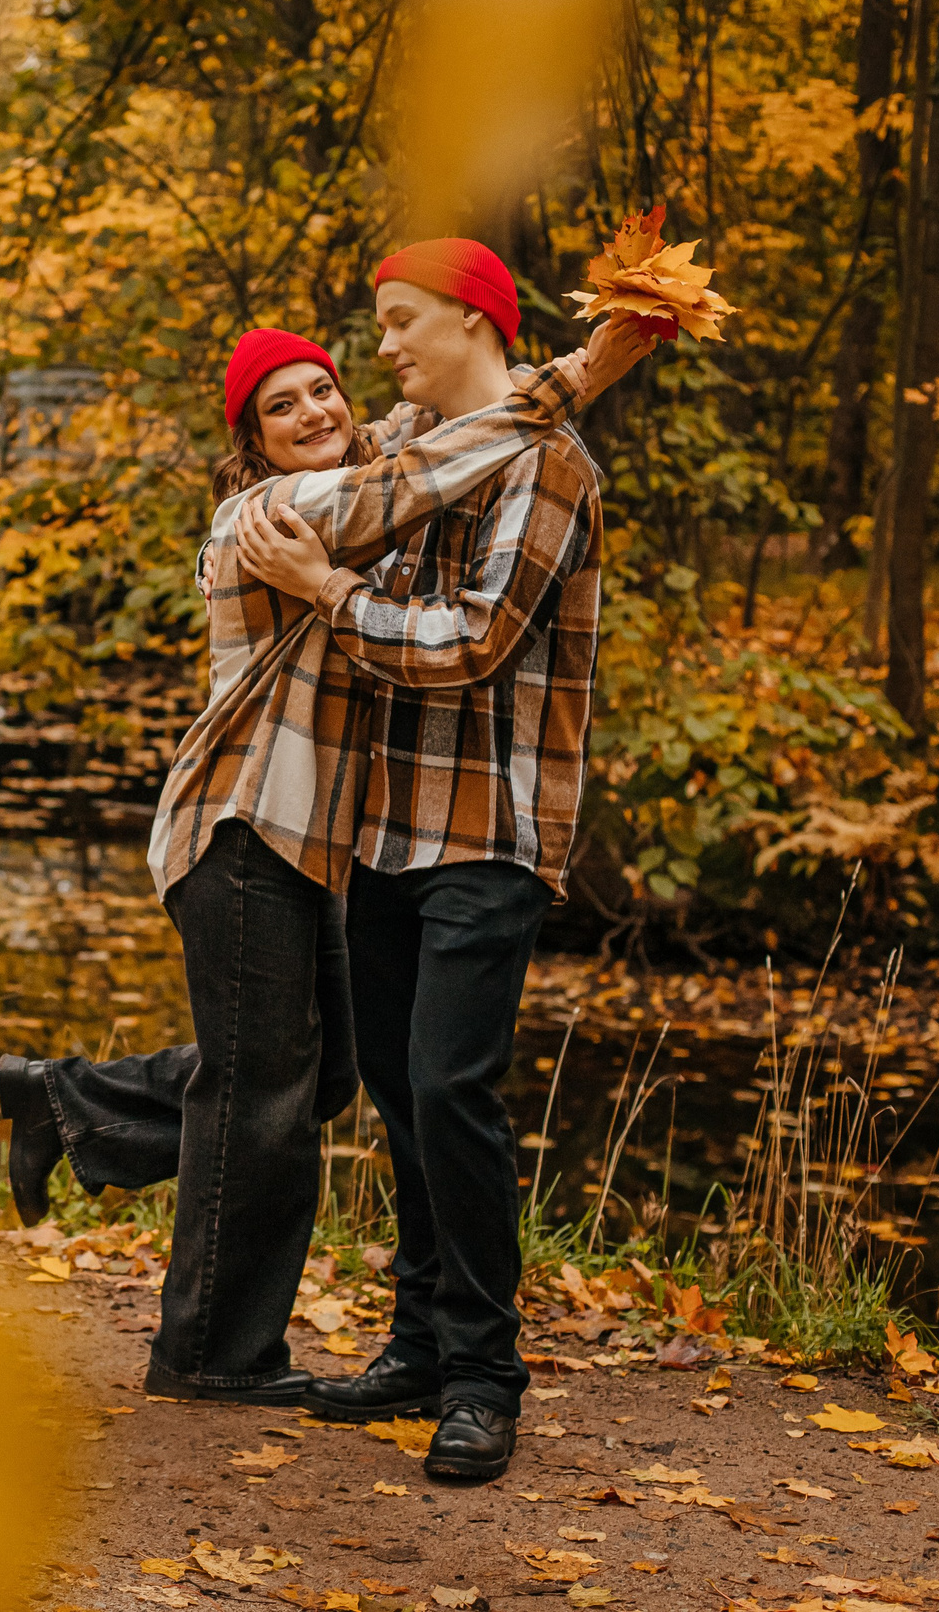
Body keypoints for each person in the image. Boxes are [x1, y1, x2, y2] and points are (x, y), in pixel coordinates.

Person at [0, 301, 650, 1421]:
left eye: (322, 391)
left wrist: (511, 373)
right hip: (246, 824)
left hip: (323, 843)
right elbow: (409, 483)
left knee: (321, 1076)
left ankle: (70, 1100)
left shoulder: (365, 479)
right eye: (278, 406)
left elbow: (424, 437)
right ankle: (212, 1352)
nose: (312, 412)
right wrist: (577, 376)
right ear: (249, 444)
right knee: (262, 1092)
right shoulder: (272, 514)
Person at [233, 238, 620, 1482]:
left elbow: (468, 646)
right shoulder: (410, 451)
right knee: (401, 1093)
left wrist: (329, 594)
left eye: (402, 321)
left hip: (490, 834)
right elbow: (352, 485)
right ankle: (415, 1345)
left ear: (471, 319)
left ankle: (485, 1378)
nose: (382, 346)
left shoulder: (549, 469)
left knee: (453, 1091)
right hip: (388, 825)